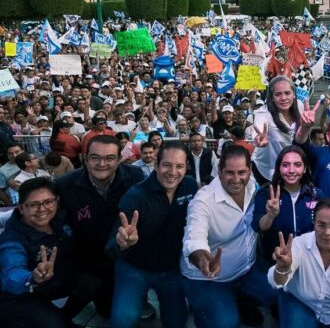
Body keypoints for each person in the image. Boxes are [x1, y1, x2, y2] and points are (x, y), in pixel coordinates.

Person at [181, 145, 278, 328]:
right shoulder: (203, 201)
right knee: (225, 323)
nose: (236, 179)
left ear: (249, 170)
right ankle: (205, 311)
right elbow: (194, 236)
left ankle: (241, 301)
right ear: (219, 171)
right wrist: (203, 259)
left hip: (246, 271)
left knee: (279, 288)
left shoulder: (251, 184)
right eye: (229, 173)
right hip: (208, 280)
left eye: (242, 172)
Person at [106, 141, 197, 328]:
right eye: (166, 165)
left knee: (176, 322)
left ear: (186, 167)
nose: (173, 172)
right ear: (156, 165)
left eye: (179, 166)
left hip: (170, 270)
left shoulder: (190, 187)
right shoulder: (135, 195)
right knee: (123, 320)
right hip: (134, 268)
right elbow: (111, 247)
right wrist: (123, 242)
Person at [54, 135, 145, 319]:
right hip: (90, 261)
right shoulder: (64, 185)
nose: (102, 163)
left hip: (127, 255)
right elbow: (59, 226)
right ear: (85, 159)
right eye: (95, 157)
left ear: (119, 159)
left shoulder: (135, 177)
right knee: (107, 312)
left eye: (110, 158)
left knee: (129, 313)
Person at [0, 177, 100, 328]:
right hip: (23, 295)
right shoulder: (13, 239)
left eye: (48, 202)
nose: (42, 209)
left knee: (92, 282)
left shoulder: (59, 218)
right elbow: (11, 273)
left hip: (55, 281)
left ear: (56, 201)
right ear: (21, 208)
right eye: (33, 204)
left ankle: (60, 317)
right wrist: (32, 278)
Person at [268, 198, 330, 328]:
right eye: (321, 225)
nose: (327, 232)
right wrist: (282, 267)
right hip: (301, 302)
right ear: (314, 224)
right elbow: (277, 282)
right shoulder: (299, 244)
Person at [252, 145, 325, 263]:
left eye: (297, 165)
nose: (291, 170)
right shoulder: (266, 193)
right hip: (274, 260)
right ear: (278, 168)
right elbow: (257, 226)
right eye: (285, 165)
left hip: (308, 260)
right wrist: (270, 216)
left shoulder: (316, 194)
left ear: (305, 168)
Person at [251, 75, 301, 183]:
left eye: (287, 93)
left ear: (294, 95)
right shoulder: (264, 112)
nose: (283, 98)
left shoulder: (300, 107)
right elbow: (259, 127)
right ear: (272, 97)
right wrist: (259, 138)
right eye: (278, 94)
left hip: (291, 168)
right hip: (267, 170)